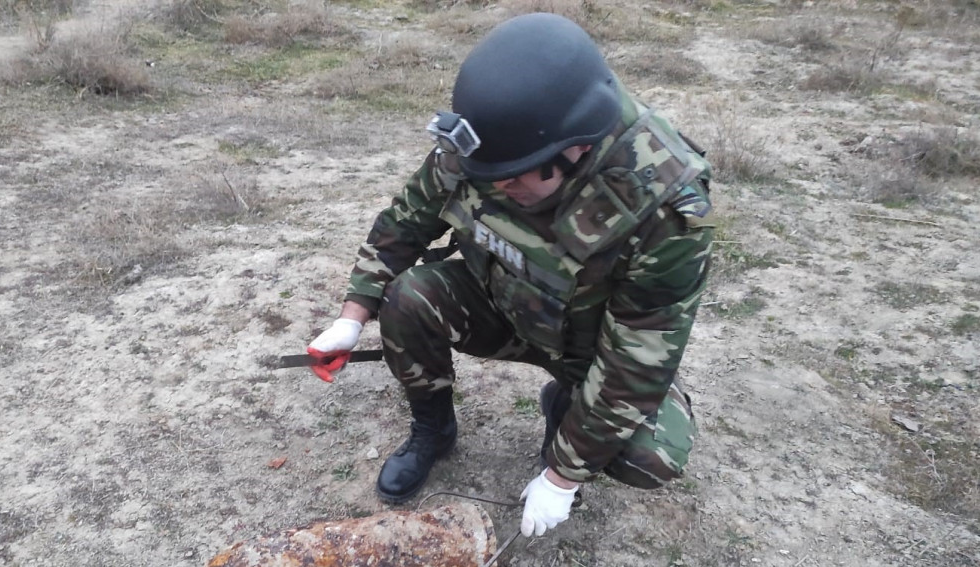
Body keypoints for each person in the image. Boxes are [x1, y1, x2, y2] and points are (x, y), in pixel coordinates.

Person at [305, 13, 713, 539]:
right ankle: (433, 430)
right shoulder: (488, 143)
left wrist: (562, 476)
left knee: (650, 457)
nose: (495, 187)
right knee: (407, 298)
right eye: (485, 175)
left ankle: (565, 406)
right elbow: (406, 219)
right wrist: (352, 317)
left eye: (512, 176)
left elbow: (635, 365)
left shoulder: (663, 212)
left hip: (592, 351)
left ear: (576, 149)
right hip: (503, 304)